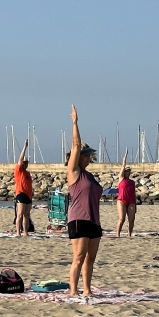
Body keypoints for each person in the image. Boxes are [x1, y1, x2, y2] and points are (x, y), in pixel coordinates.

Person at [66, 105, 103, 297]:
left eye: (90, 155)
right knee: (78, 257)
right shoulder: (74, 173)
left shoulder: (89, 175)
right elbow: (75, 145)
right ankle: (73, 290)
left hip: (94, 221)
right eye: (86, 155)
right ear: (78, 158)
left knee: (91, 258)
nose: (89, 158)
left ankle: (87, 289)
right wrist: (75, 123)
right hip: (79, 219)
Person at [115, 149, 137, 237]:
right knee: (122, 219)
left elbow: (134, 194)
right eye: (126, 171)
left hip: (131, 201)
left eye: (129, 171)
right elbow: (123, 166)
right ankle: (118, 234)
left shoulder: (132, 182)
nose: (128, 172)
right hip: (121, 200)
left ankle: (129, 234)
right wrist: (125, 156)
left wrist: (136, 206)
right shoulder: (121, 178)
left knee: (132, 220)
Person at [14, 140, 33, 236]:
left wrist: (31, 196)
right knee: (20, 214)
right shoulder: (19, 171)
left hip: (28, 196)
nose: (26, 164)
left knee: (27, 215)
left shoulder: (27, 173)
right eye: (24, 162)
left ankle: (25, 231)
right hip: (21, 194)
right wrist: (25, 147)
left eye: (27, 162)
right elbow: (20, 159)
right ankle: (18, 232)